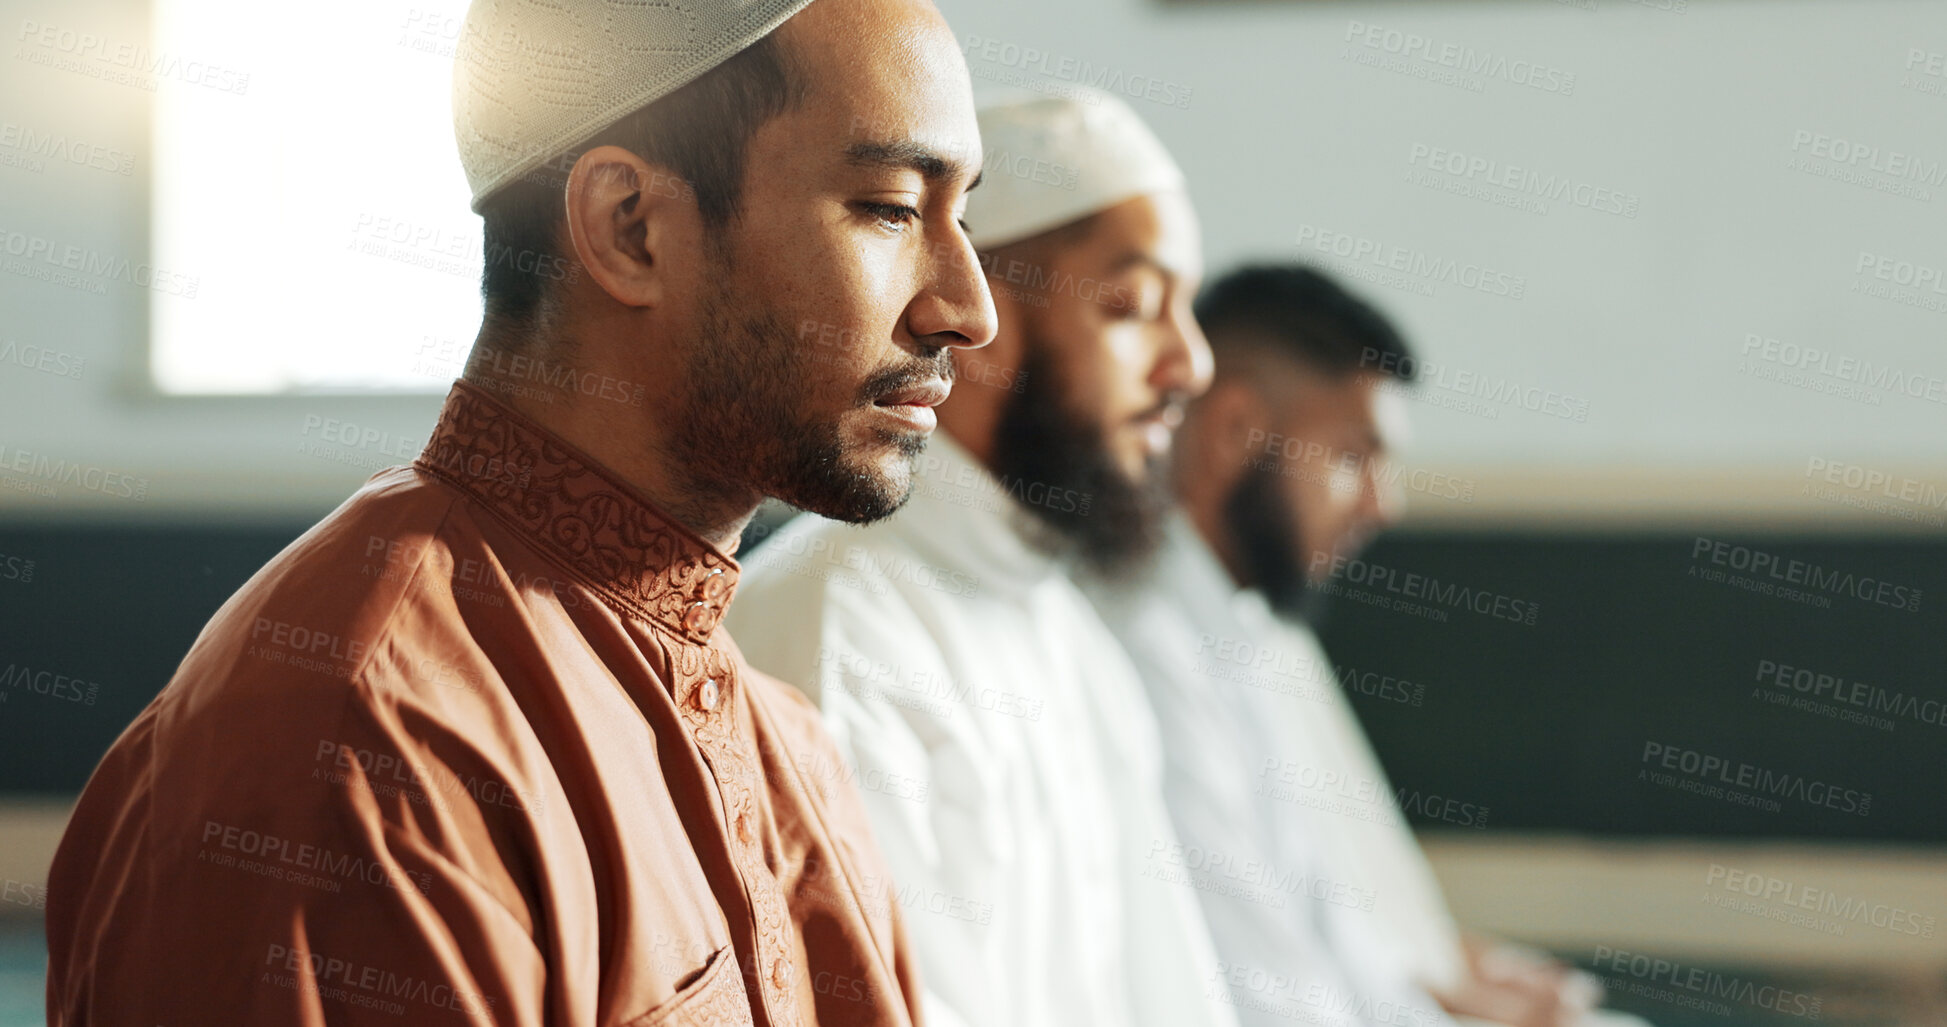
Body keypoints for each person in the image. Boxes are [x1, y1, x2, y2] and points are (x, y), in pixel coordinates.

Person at [43, 0, 997, 1023]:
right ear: (629, 228)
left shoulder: (781, 740)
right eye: (891, 208)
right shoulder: (368, 738)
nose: (968, 309)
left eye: (966, 219)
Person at [725, 89, 1237, 1027]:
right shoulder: (839, 628)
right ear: (975, 320)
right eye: (1132, 305)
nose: (1190, 364)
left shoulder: (1065, 629)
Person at [1087, 264, 1632, 1027]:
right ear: (1235, 429)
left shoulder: (1240, 635)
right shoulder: (1145, 645)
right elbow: (1269, 1004)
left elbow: (1324, 947)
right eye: (1352, 456)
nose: (1383, 503)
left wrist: (1453, 992)